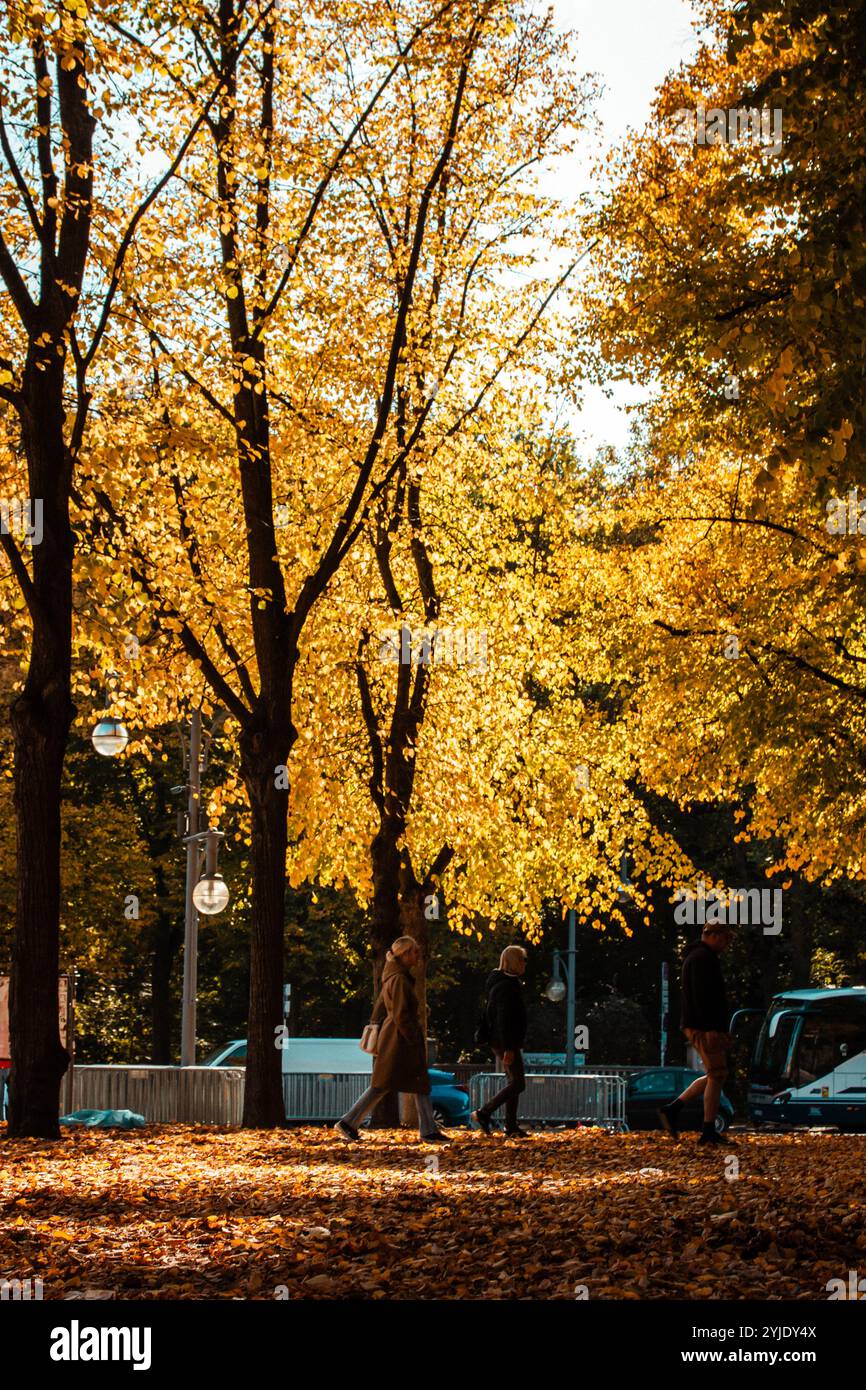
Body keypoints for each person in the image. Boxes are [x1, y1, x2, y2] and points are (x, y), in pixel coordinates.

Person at [334, 936, 448, 1144]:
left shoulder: (393, 977)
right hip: (400, 1039)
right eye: (414, 952)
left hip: (395, 1038)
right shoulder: (399, 979)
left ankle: (350, 1122)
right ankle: (427, 1130)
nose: (418, 955)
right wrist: (414, 1038)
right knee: (401, 1083)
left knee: (398, 1084)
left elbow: (386, 1009)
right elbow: (401, 1014)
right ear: (404, 955)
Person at [659, 923, 735, 1146]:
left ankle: (674, 1110)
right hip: (703, 1026)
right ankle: (707, 1129)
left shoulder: (701, 957)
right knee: (717, 1074)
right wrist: (712, 1029)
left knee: (716, 1073)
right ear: (711, 935)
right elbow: (704, 997)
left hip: (701, 1025)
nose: (726, 944)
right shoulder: (702, 959)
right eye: (724, 938)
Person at [471, 945, 529, 1138]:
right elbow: (505, 1019)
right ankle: (484, 1112)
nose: (525, 963)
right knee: (518, 1083)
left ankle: (510, 1125)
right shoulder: (507, 986)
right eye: (523, 959)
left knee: (514, 1081)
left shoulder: (500, 982)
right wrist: (510, 1048)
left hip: (501, 1040)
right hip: (505, 1041)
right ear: (515, 962)